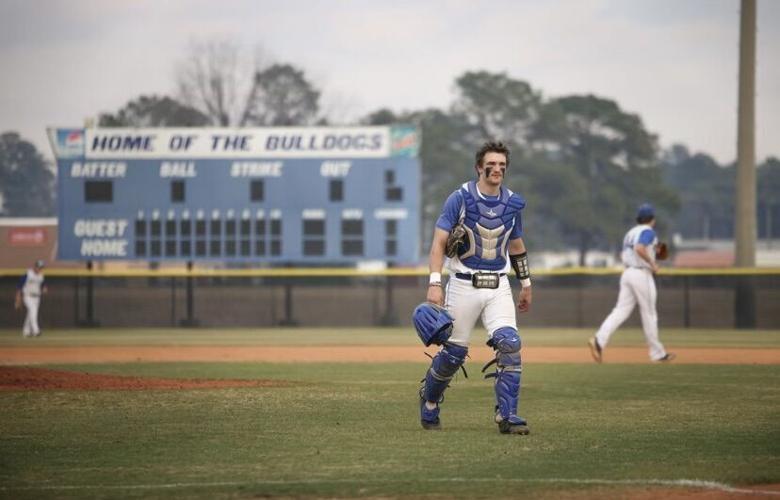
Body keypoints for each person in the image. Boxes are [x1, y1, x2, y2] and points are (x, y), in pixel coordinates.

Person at [418, 140, 533, 435]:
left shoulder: (513, 203)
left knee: (510, 344)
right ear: (479, 167)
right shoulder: (459, 198)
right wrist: (434, 282)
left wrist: (526, 283)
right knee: (453, 353)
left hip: (499, 287)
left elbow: (517, 246)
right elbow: (438, 244)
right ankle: (429, 400)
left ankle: (507, 415)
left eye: (502, 165)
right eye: (491, 164)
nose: (497, 169)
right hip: (463, 284)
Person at [588, 203, 675, 363]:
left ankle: (599, 340)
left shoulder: (630, 232)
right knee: (649, 313)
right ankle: (657, 353)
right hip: (641, 274)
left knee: (620, 311)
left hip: (628, 273)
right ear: (652, 219)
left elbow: (631, 250)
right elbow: (639, 248)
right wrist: (653, 263)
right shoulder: (648, 231)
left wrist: (655, 252)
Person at [14, 260, 47, 337]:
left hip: (37, 297)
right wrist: (18, 298)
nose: (40, 269)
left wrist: (44, 288)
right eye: (39, 267)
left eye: (41, 267)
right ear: (35, 266)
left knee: (30, 314)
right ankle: (36, 331)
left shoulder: (41, 276)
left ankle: (26, 331)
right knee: (33, 311)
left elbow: (43, 285)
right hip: (28, 296)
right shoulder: (28, 274)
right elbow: (19, 287)